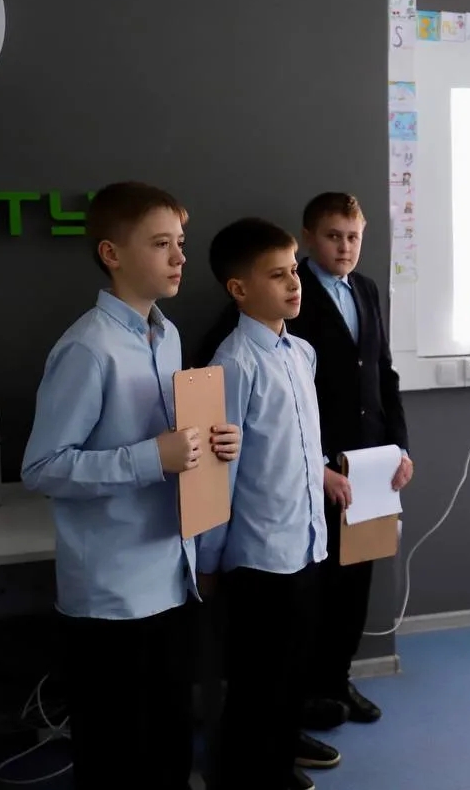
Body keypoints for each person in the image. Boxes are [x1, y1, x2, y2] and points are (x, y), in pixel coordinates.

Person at [21, 182, 241, 790]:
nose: (179, 257)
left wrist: (213, 443)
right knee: (118, 755)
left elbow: (172, 442)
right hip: (113, 593)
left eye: (181, 243)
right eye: (161, 244)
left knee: (170, 741)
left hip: (171, 573)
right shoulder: (88, 348)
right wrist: (152, 458)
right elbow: (42, 467)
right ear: (112, 253)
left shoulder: (167, 336)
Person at [196, 217, 329, 790]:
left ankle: (275, 766)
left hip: (305, 542)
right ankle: (241, 776)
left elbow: (300, 449)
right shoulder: (232, 363)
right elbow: (217, 472)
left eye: (294, 270)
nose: (294, 282)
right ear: (239, 289)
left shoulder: (301, 353)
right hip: (258, 555)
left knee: (292, 672)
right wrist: (209, 557)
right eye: (277, 275)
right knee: (256, 683)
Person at [288, 192, 412, 731]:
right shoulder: (289, 287)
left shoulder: (366, 289)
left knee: (355, 582)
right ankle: (304, 694)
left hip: (369, 464)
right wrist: (314, 463)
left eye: (353, 237)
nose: (344, 247)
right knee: (312, 586)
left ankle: (338, 680)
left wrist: (399, 446)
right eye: (333, 236)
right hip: (311, 464)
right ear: (309, 238)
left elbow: (383, 373)